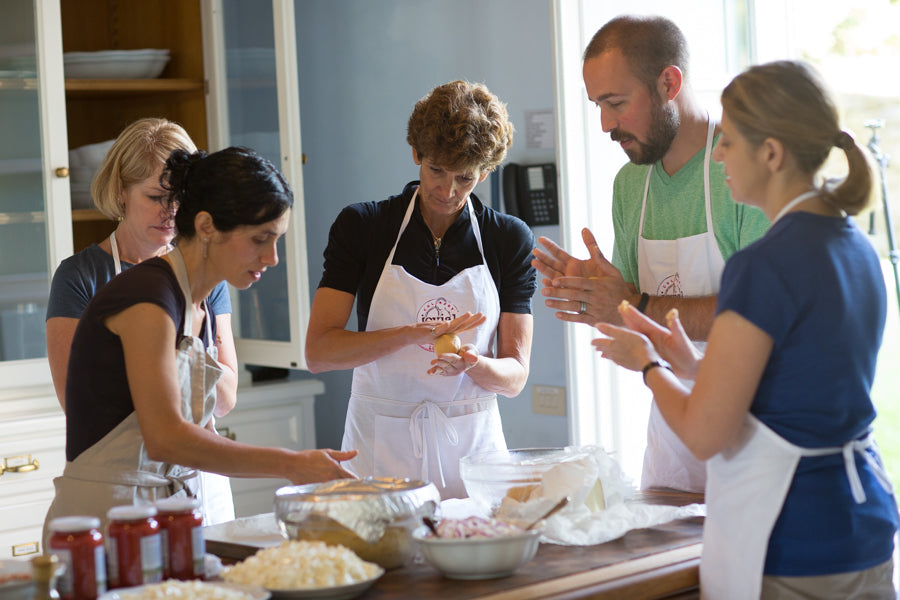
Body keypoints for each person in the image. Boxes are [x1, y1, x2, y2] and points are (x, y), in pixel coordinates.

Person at [593, 60, 898, 599]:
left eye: (729, 141)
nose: (716, 154)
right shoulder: (858, 248)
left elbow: (705, 432)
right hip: (863, 529)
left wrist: (647, 362)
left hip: (790, 539)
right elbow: (798, 383)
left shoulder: (764, 264)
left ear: (772, 154)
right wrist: (687, 362)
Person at [44, 147, 356, 541]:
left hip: (164, 509)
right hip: (108, 520)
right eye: (261, 239)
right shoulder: (147, 297)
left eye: (276, 240)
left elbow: (200, 426)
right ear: (206, 226)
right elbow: (165, 438)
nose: (273, 258)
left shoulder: (198, 304)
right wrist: (291, 464)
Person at [531, 15, 769, 493]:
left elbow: (758, 313)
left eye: (616, 103)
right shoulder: (630, 184)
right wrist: (601, 297)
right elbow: (635, 311)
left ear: (669, 83)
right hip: (672, 439)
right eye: (597, 105)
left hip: (755, 430)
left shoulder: (744, 168)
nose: (604, 125)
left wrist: (636, 307)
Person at [305, 80, 536, 499]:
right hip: (378, 445)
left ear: (484, 172)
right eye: (436, 171)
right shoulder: (363, 226)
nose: (447, 191)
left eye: (465, 178)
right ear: (416, 154)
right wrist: (412, 335)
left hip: (474, 448)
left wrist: (473, 364)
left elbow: (515, 376)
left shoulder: (508, 238)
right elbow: (319, 353)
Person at [45, 118, 239, 524]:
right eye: (155, 196)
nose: (170, 212)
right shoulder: (81, 276)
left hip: (199, 481)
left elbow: (224, 399)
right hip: (118, 487)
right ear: (121, 191)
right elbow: (75, 402)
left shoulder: (207, 275)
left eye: (180, 198)